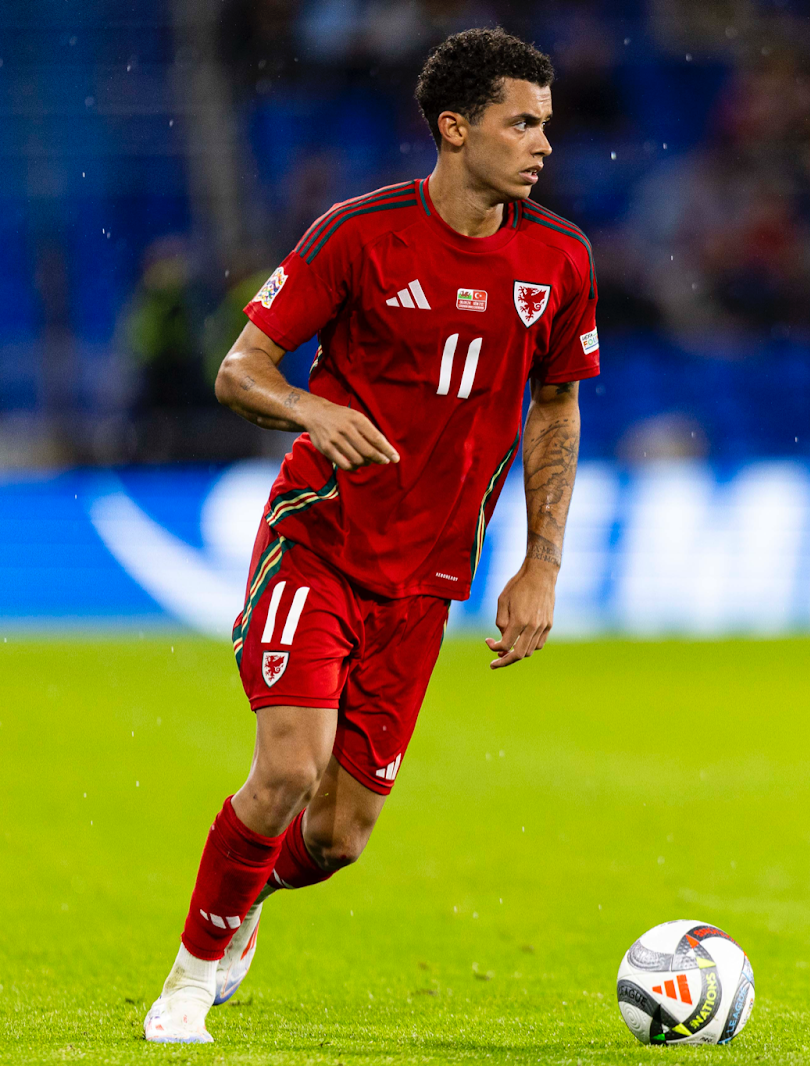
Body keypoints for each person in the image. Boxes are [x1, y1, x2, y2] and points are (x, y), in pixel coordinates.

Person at [143, 28, 599, 1043]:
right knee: (289, 766)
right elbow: (240, 367)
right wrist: (311, 412)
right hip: (321, 541)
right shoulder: (357, 235)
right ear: (455, 127)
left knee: (339, 835)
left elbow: (557, 405)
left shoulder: (559, 259)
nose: (540, 146)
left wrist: (539, 562)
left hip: (428, 574)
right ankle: (186, 978)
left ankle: (245, 896)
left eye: (546, 126)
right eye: (521, 123)